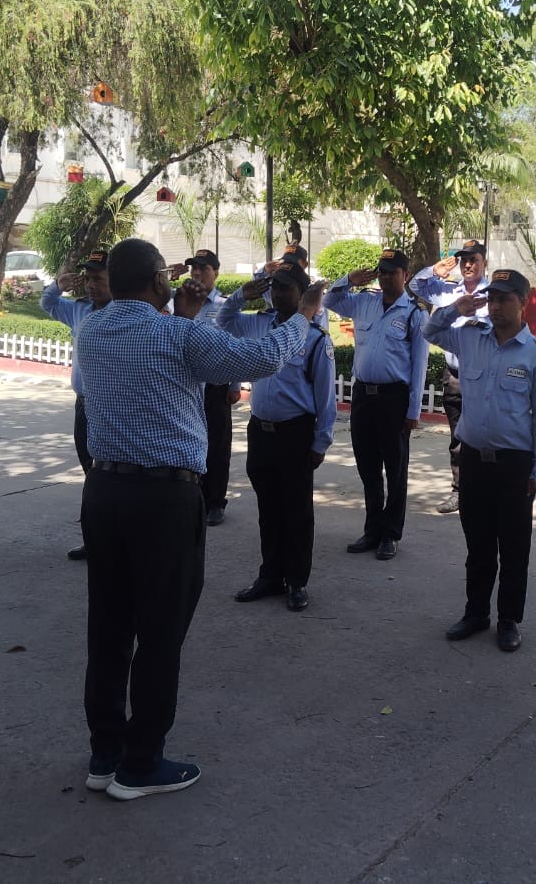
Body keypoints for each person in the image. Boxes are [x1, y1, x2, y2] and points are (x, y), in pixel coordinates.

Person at [73, 237, 323, 801]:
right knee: (160, 630)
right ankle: (141, 763)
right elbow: (260, 359)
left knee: (109, 626)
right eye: (167, 275)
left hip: (105, 493)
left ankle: (105, 752)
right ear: (157, 281)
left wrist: (183, 319)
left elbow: (156, 360)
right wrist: (304, 316)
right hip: (163, 500)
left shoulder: (93, 331)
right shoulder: (179, 336)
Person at [424, 269, 536, 652]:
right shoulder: (470, 337)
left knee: (514, 546)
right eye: (492, 298)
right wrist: (456, 308)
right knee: (478, 544)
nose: (496, 306)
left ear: (523, 302)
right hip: (474, 461)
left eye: (504, 299)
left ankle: (509, 619)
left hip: (514, 464)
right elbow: (430, 331)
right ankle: (476, 612)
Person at [218, 261, 336, 611]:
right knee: (268, 509)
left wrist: (320, 442)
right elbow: (223, 322)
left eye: (286, 288)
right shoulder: (259, 325)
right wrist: (240, 296)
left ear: (303, 295)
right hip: (261, 432)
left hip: (295, 434)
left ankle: (296, 581)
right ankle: (270, 575)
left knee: (296, 511)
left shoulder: (316, 339)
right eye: (275, 287)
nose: (279, 293)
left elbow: (326, 399)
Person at [323, 248, 429, 561]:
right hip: (363, 396)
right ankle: (372, 529)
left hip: (394, 398)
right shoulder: (364, 302)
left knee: (395, 469)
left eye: (391, 272)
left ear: (405, 275)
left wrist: (413, 411)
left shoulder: (414, 313)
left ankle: (391, 533)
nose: (384, 277)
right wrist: (348, 280)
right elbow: (328, 301)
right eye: (381, 271)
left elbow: (420, 366)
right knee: (367, 466)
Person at [40, 249, 112, 560]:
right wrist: (58, 286)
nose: (92, 285)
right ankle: (93, 539)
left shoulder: (125, 314)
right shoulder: (80, 310)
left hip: (112, 406)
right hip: (84, 405)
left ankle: (114, 541)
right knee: (90, 473)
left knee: (111, 475)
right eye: (89, 279)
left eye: (99, 279)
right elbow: (48, 304)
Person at [410, 239, 491, 514]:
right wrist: (434, 271)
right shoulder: (448, 291)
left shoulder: (492, 295)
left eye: (473, 259)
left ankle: (482, 491)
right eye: (464, 260)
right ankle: (459, 491)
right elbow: (415, 285)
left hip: (482, 377)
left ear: (484, 262)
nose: (468, 265)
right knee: (457, 438)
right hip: (454, 375)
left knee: (482, 436)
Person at [184, 249, 242, 527]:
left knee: (217, 447)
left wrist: (235, 384)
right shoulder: (180, 302)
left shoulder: (223, 306)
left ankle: (216, 502)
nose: (196, 273)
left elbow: (234, 344)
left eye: (203, 269)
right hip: (186, 387)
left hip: (216, 387)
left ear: (216, 273)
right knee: (188, 441)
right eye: (193, 268)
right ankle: (194, 497)